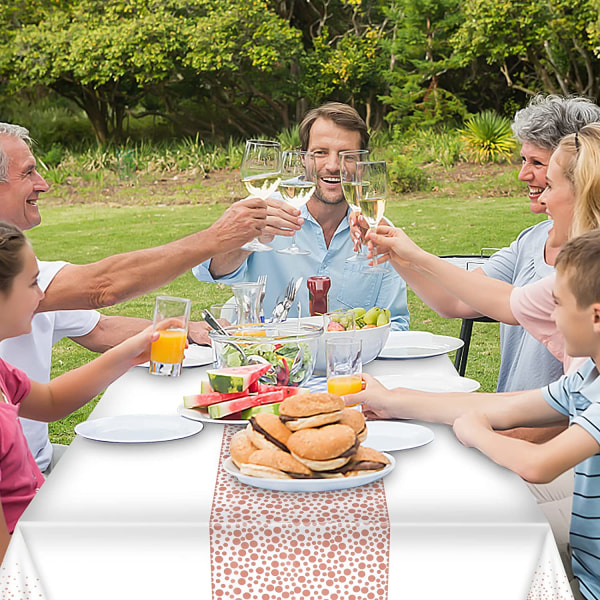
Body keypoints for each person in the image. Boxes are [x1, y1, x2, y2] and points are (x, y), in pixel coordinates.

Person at [347, 228, 600, 600]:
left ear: (595, 316)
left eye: (558, 304)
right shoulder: (588, 375)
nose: (550, 316)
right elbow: (504, 407)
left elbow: (539, 465)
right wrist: (392, 399)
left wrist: (476, 432)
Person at [0, 122, 267, 471]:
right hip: (21, 476)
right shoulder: (14, 275)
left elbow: (97, 330)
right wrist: (215, 238)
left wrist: (183, 332)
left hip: (39, 459)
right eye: (29, 172)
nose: (44, 184)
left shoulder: (19, 278)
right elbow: (104, 287)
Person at [360, 95, 600, 391]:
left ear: (583, 173)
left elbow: (575, 402)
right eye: (524, 160)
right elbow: (455, 299)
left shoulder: (590, 269)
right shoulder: (531, 240)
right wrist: (396, 251)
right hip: (511, 416)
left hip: (550, 429)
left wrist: (414, 254)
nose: (522, 174)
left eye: (538, 164)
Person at [0, 221, 158, 564]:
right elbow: (8, 568)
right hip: (32, 553)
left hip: (42, 522)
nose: (42, 296)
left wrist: (132, 349)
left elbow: (51, 401)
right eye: (32, 284)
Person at [192, 102, 409, 330]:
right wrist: (247, 241)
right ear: (302, 157)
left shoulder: (377, 230)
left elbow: (396, 323)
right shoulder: (265, 210)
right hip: (265, 356)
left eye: (348, 156)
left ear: (363, 163)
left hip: (347, 361)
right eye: (320, 153)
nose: (333, 166)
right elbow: (208, 270)